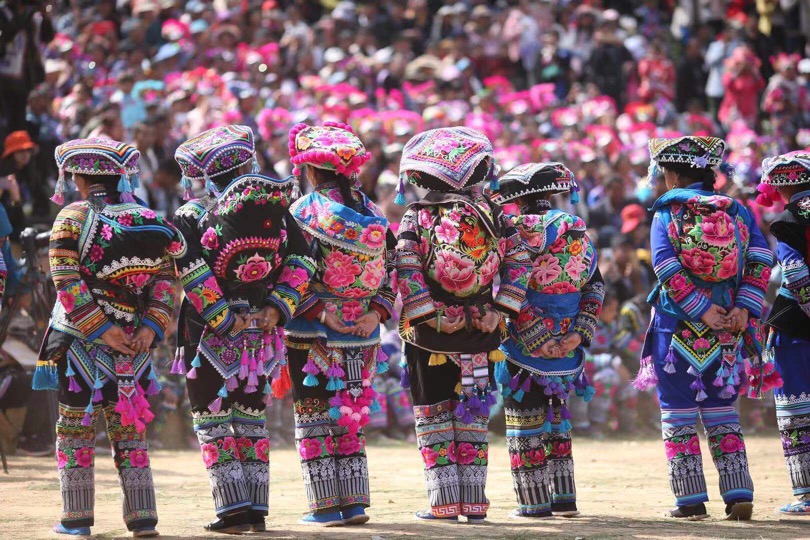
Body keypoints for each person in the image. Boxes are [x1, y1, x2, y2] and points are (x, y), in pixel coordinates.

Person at [32, 138, 187, 538]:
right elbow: (168, 280)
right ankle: (143, 519)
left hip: (81, 340)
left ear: (79, 177)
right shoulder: (151, 219)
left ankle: (76, 520)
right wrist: (151, 327)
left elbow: (66, 280)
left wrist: (101, 328)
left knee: (74, 427)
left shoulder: (71, 217)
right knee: (130, 429)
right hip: (133, 343)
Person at [172, 125, 315, 534]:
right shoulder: (276, 212)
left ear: (206, 174)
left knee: (211, 414)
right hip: (261, 331)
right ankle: (256, 510)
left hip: (209, 332)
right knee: (251, 414)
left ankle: (232, 510)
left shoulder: (193, 213)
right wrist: (277, 306)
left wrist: (219, 314)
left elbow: (192, 269)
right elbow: (303, 261)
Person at [395, 127, 531, 521]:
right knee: (472, 410)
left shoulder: (417, 215)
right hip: (482, 327)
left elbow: (406, 267)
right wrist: (501, 310)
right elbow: (519, 263)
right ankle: (474, 503)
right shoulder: (493, 213)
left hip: (431, 333)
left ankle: (442, 502)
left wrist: (432, 314)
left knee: (434, 410)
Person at [634, 136, 773, 521]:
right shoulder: (739, 212)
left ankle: (691, 501)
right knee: (723, 412)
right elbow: (762, 259)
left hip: (676, 328)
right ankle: (738, 492)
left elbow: (666, 267)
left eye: (664, 174)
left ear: (675, 174)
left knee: (678, 414)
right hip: (728, 328)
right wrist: (743, 309)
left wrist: (699, 310)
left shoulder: (667, 213)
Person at [283, 121, 395, 526]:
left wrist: (322, 311)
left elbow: (292, 273)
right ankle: (355, 504)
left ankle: (326, 506)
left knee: (314, 412)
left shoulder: (303, 212)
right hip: (363, 330)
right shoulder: (374, 213)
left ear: (310, 171)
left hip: (315, 330)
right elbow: (391, 270)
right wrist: (375, 313)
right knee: (351, 412)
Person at [490, 162, 604, 518]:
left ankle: (533, 501)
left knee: (525, 420)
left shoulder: (513, 233)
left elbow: (510, 290)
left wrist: (537, 337)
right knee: (558, 418)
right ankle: (565, 499)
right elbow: (595, 286)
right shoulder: (579, 234)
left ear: (517, 202)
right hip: (567, 343)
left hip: (526, 344)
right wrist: (576, 335)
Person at [754, 150, 810, 516]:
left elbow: (797, 277)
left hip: (796, 326)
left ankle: (806, 494)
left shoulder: (788, 221)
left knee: (797, 409)